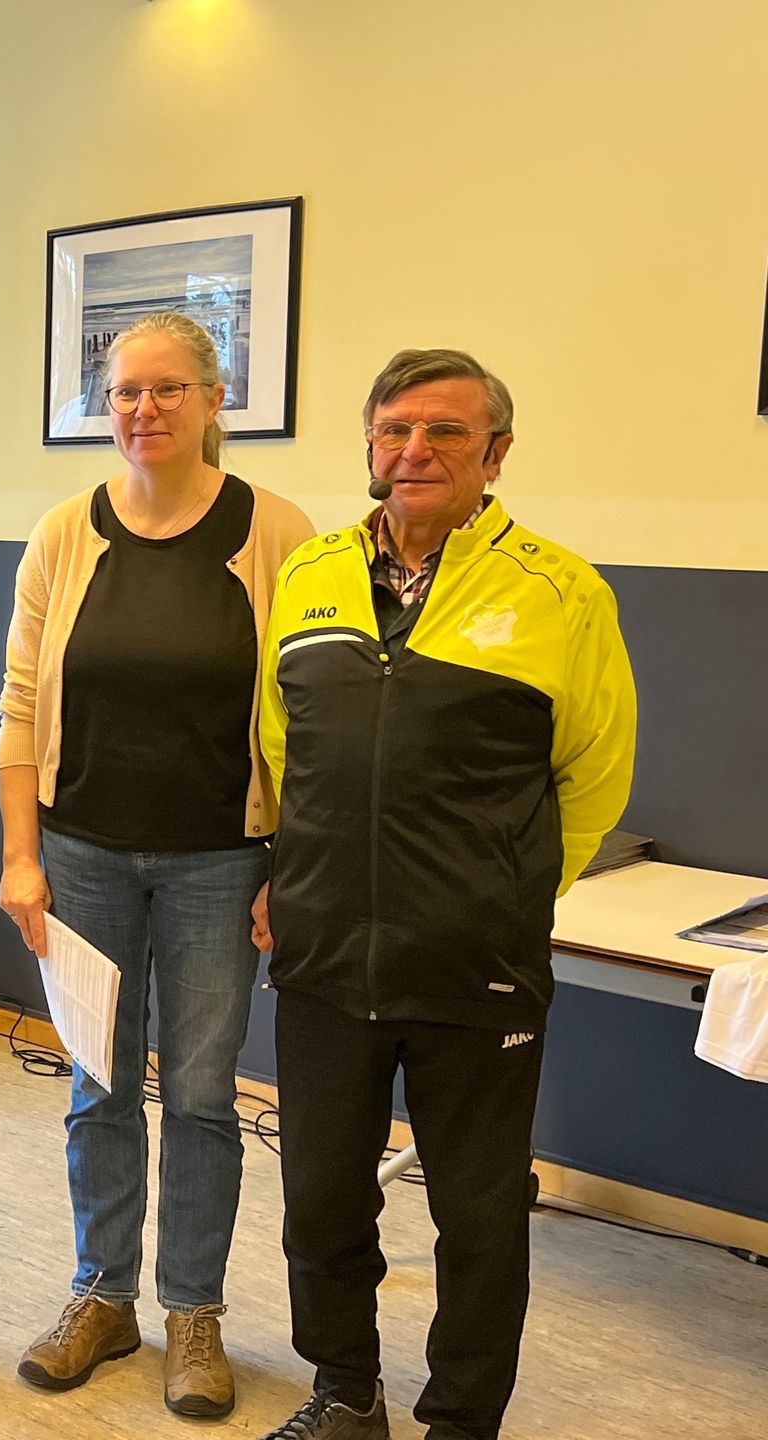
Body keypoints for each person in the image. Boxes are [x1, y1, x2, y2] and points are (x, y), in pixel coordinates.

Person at [253, 349, 636, 1440]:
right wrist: (294, 874)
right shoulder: (312, 572)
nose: (414, 450)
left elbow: (596, 775)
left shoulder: (562, 592)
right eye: (395, 429)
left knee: (478, 1214)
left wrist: (505, 893)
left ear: (495, 454)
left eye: (446, 432)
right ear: (370, 445)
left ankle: (463, 1421)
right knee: (321, 1199)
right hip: (326, 954)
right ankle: (345, 1391)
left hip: (477, 961)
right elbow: (282, 746)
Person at [0, 312, 314, 1416]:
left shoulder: (277, 532)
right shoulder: (63, 534)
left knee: (201, 1094)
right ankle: (103, 1295)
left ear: (214, 399)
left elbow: (308, 715)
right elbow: (21, 706)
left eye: (168, 388)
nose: (144, 409)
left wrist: (288, 861)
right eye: (126, 391)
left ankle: (194, 1314)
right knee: (97, 1084)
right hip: (80, 853)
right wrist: (22, 857)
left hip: (220, 863)